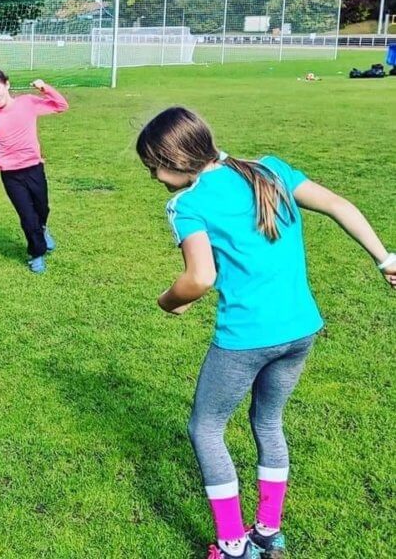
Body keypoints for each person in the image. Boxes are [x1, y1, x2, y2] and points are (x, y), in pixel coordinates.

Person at [136, 107, 395, 559]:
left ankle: (233, 545)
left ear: (175, 160)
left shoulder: (186, 205)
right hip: (301, 330)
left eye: (154, 166)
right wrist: (385, 259)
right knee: (268, 420)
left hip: (246, 338)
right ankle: (268, 532)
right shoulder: (270, 169)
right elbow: (339, 205)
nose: (154, 177)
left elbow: (199, 277)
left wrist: (168, 301)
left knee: (206, 428)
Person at [0, 69, 68, 274]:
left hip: (33, 167)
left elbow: (61, 106)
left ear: (7, 84)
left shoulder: (27, 103)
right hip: (10, 173)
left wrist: (44, 88)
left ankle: (43, 230)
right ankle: (36, 253)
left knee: (42, 209)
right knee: (27, 216)